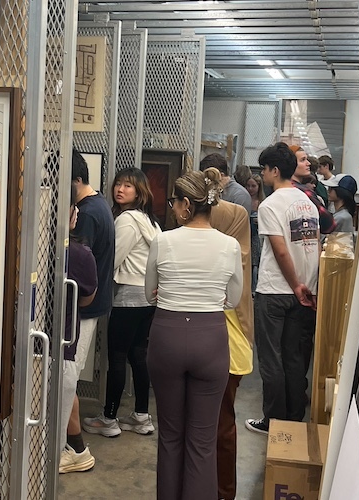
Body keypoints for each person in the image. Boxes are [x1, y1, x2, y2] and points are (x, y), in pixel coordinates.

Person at [146, 167, 243, 499]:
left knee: (170, 435)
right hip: (211, 338)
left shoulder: (163, 240)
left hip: (167, 336)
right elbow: (233, 299)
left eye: (174, 202)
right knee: (203, 441)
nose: (173, 207)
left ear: (186, 204)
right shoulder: (229, 246)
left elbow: (149, 293)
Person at [246, 143, 320, 435]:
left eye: (264, 169)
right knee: (294, 356)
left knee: (270, 358)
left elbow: (280, 250)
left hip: (276, 290)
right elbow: (313, 246)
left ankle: (272, 420)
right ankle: (293, 415)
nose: (262, 174)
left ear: (274, 171)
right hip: (304, 292)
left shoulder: (271, 204)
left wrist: (294, 284)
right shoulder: (307, 202)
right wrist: (307, 286)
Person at [83, 168, 160, 438]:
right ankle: (141, 416)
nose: (120, 190)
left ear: (139, 191)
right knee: (138, 354)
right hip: (148, 297)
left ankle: (109, 418)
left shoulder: (127, 220)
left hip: (129, 295)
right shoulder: (149, 220)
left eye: (128, 186)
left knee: (116, 356)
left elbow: (114, 258)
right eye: (118, 184)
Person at [61, 149, 115, 473]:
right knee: (67, 380)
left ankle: (74, 450)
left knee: (66, 381)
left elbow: (78, 270)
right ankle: (75, 447)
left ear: (76, 179)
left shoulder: (86, 213)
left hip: (81, 311)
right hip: (86, 309)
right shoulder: (98, 205)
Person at [209, 197, 254, 500]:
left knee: (220, 427)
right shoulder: (235, 256)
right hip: (228, 352)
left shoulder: (225, 261)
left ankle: (223, 491)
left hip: (224, 352)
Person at [59, 184, 99, 473]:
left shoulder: (19, 249)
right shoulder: (81, 255)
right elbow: (86, 299)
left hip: (22, 347)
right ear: (72, 215)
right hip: (62, 346)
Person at [289, 144, 336, 235]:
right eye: (303, 160)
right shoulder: (305, 192)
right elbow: (329, 224)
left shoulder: (283, 189)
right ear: (291, 164)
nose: (308, 163)